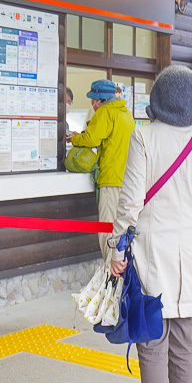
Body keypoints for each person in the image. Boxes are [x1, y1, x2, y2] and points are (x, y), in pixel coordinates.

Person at [105, 65, 192, 383]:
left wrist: (117, 248)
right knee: (185, 342)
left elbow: (130, 201)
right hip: (189, 253)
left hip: (151, 251)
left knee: (152, 341)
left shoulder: (144, 136)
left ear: (158, 100)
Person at [66, 79, 135, 259]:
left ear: (100, 100)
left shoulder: (105, 112)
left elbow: (91, 139)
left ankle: (110, 268)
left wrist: (74, 139)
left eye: (93, 99)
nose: (91, 103)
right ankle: (122, 266)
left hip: (111, 178)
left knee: (107, 227)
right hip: (127, 179)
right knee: (122, 227)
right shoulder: (126, 114)